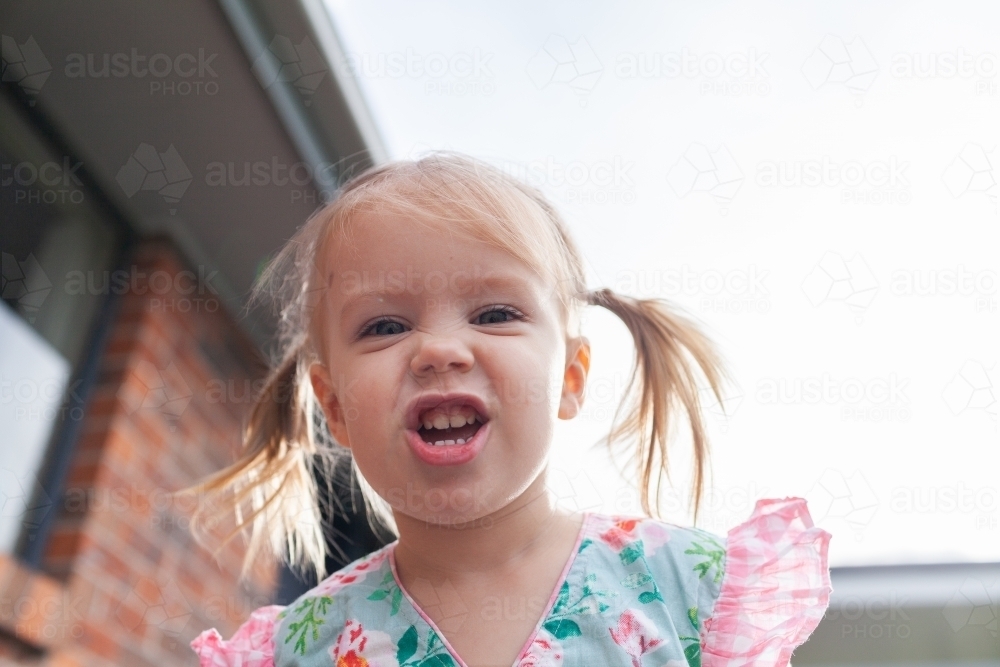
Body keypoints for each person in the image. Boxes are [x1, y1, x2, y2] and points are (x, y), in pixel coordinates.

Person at [189, 153, 831, 667]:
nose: (438, 350)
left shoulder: (693, 594)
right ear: (335, 408)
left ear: (570, 379)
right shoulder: (299, 649)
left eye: (495, 314)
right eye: (385, 326)